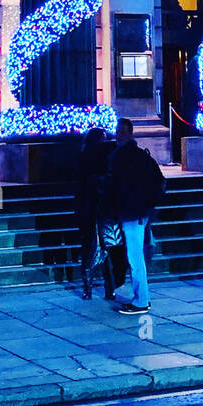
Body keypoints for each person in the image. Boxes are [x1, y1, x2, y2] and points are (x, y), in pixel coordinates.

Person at [108, 117, 165, 315]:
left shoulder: (127, 156)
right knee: (135, 256)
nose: (118, 135)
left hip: (133, 212)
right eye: (117, 131)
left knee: (135, 257)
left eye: (122, 131)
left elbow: (117, 184)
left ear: (130, 133)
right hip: (137, 211)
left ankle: (141, 300)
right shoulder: (137, 155)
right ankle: (142, 298)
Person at [75, 126, 114, 299]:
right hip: (92, 209)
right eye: (102, 138)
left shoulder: (101, 155)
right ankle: (94, 286)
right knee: (93, 248)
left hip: (99, 209)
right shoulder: (88, 157)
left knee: (103, 249)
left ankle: (104, 287)